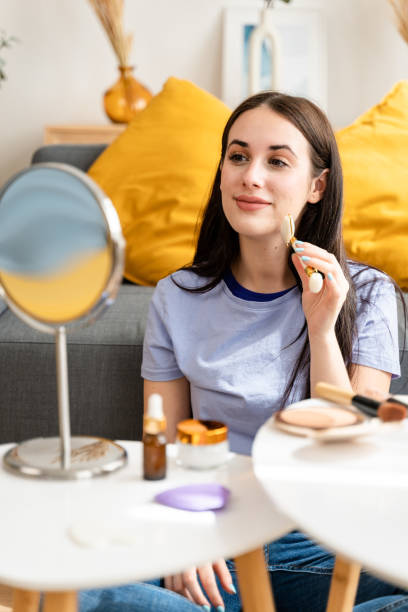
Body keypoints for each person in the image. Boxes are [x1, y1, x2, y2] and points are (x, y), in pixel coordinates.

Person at [80, 92, 408, 612]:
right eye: (237, 156)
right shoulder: (178, 296)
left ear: (317, 185)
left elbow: (353, 458)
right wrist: (183, 531)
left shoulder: (367, 294)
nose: (250, 176)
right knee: (64, 588)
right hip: (217, 543)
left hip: (328, 546)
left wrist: (322, 331)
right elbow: (160, 446)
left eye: (277, 161)